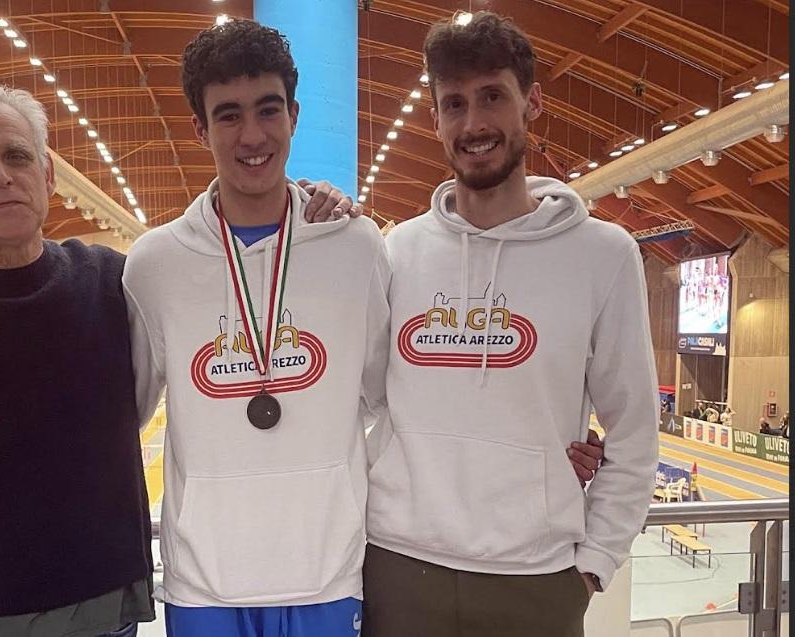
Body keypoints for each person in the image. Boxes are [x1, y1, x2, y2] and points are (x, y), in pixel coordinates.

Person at [125, 20, 602, 637]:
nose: (251, 135)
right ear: (200, 128)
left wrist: (538, 438)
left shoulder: (354, 246)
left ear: (294, 115)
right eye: (228, 115)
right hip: (203, 582)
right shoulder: (156, 263)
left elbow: (396, 391)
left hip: (328, 575)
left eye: (268, 110)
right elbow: (128, 412)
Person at [0, 81, 353, 637]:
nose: (1, 176)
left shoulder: (112, 281)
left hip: (103, 614)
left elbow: (220, 263)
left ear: (48, 174)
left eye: (16, 155)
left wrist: (304, 202)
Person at [361, 13, 658, 637]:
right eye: (454, 104)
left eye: (492, 96)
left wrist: (594, 565)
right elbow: (360, 399)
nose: (473, 124)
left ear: (533, 102)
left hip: (539, 580)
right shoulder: (395, 253)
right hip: (398, 568)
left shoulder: (603, 255)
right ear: (435, 119)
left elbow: (634, 430)